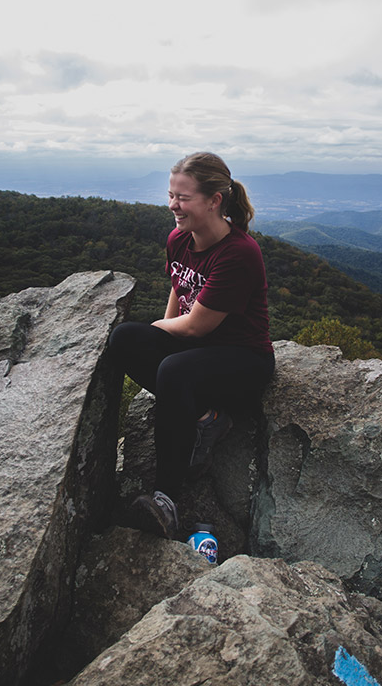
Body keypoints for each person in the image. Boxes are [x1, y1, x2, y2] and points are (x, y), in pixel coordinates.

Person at [108, 151, 275, 539]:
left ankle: (166, 501)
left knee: (173, 369)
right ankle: (207, 420)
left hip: (242, 361)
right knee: (125, 338)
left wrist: (163, 333)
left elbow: (198, 326)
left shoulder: (239, 253)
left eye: (182, 198)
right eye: (171, 195)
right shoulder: (179, 240)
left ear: (214, 200)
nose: (172, 206)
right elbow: (179, 290)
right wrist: (159, 331)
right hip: (198, 353)